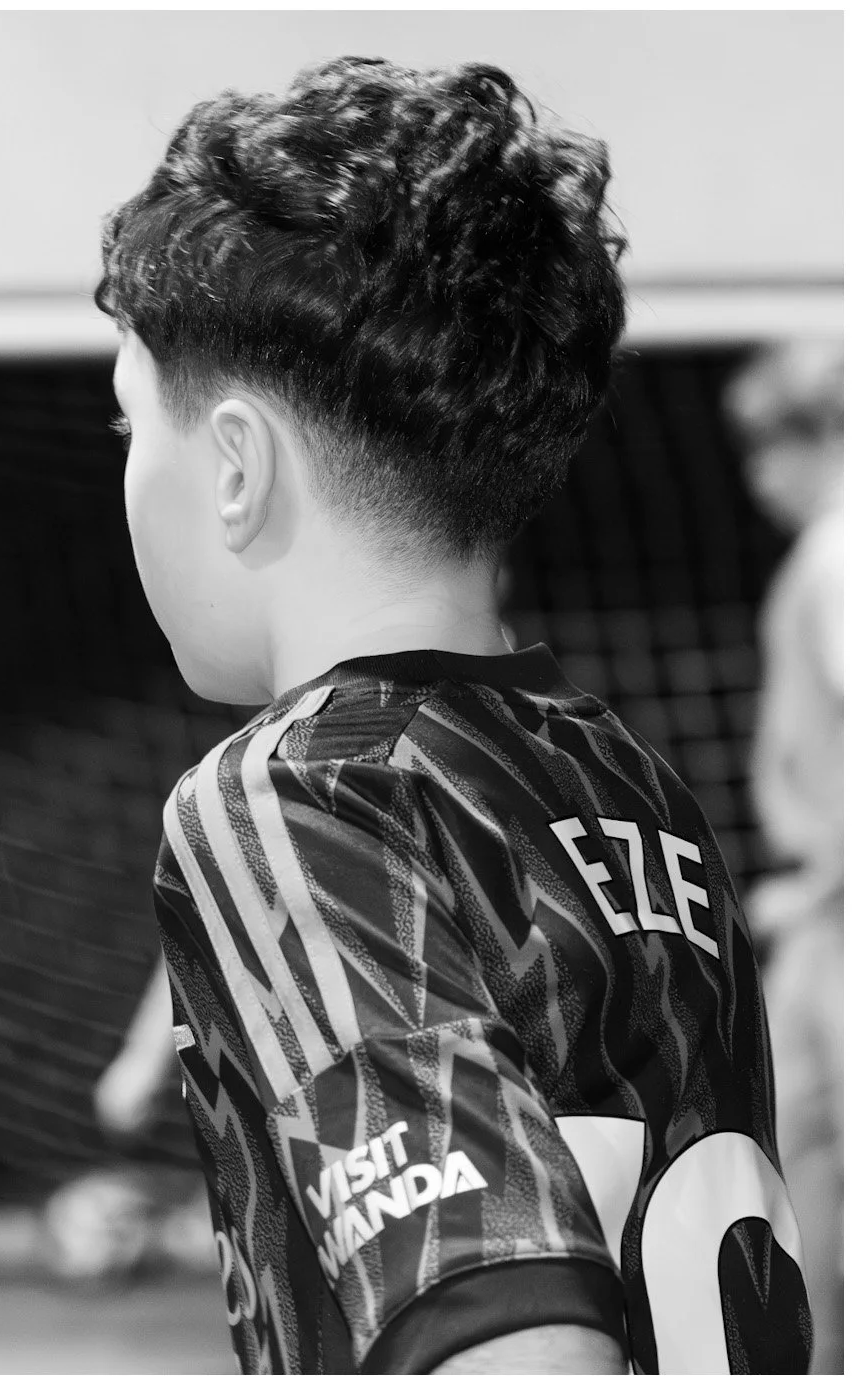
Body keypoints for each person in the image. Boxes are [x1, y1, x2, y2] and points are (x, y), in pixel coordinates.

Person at [97, 58, 805, 1373]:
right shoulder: (628, 779)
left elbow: (518, 1350)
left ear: (237, 466)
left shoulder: (304, 788)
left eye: (130, 424)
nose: (128, 477)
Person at [728, 338, 843, 1372]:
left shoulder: (837, 552)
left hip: (839, 915)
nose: (756, 477)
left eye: (766, 447)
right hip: (821, 918)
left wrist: (825, 876)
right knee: (803, 1153)